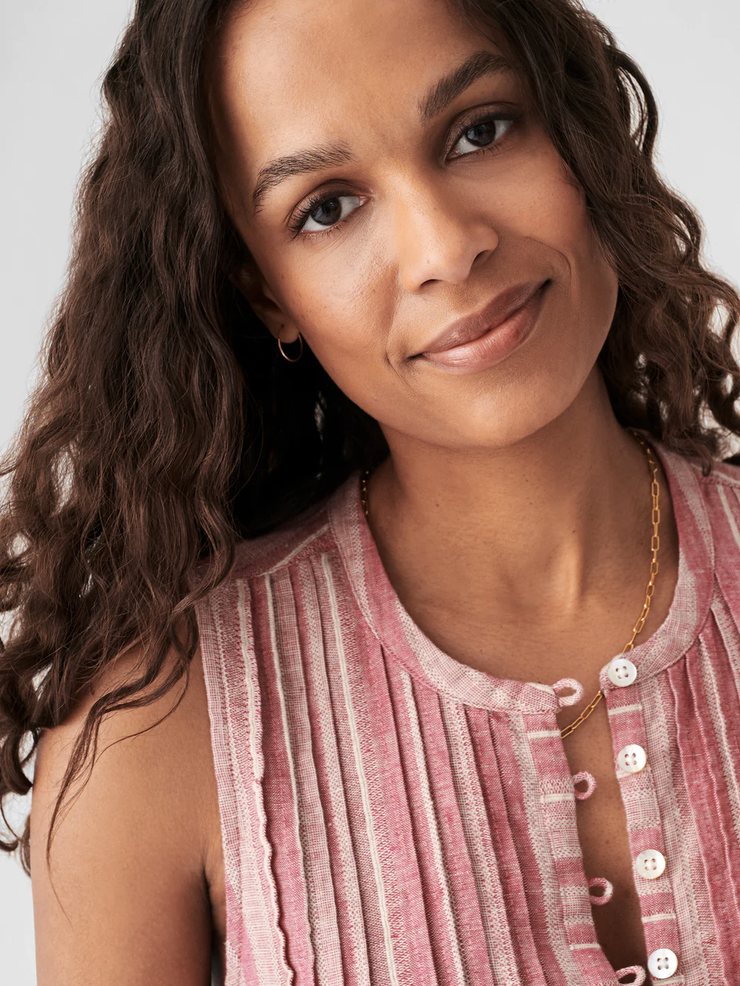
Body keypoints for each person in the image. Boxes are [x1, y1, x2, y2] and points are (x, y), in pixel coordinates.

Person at [2, 0, 740, 983]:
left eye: (480, 131)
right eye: (327, 207)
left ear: (577, 127)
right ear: (266, 293)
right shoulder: (154, 736)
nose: (445, 248)